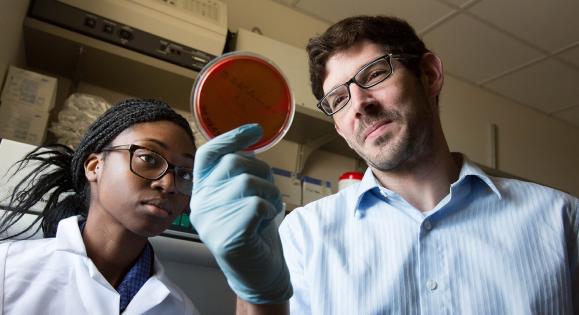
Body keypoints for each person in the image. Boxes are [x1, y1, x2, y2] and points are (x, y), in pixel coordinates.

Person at [189, 15, 579, 314]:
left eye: (374, 74)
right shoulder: (303, 234)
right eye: (339, 100)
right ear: (339, 127)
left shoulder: (563, 220)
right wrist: (254, 293)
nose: (359, 104)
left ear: (428, 75)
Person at [0, 99, 199, 314]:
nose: (169, 184)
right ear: (95, 166)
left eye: (185, 174)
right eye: (149, 159)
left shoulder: (182, 309)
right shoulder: (7, 268)